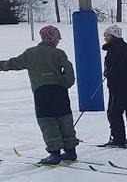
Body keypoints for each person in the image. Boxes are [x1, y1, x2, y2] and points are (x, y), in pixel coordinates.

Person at [0, 25, 78, 164]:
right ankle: (71, 151)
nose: (58, 41)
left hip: (42, 92)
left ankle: (54, 154)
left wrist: (2, 65)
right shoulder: (59, 53)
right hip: (60, 91)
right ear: (53, 39)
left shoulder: (31, 53)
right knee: (65, 119)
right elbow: (69, 70)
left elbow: (14, 63)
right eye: (57, 39)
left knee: (47, 121)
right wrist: (66, 83)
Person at [100, 25, 127, 148]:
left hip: (118, 85)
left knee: (114, 112)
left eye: (107, 35)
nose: (105, 38)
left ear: (114, 36)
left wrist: (110, 73)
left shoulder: (115, 49)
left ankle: (118, 138)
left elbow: (117, 68)